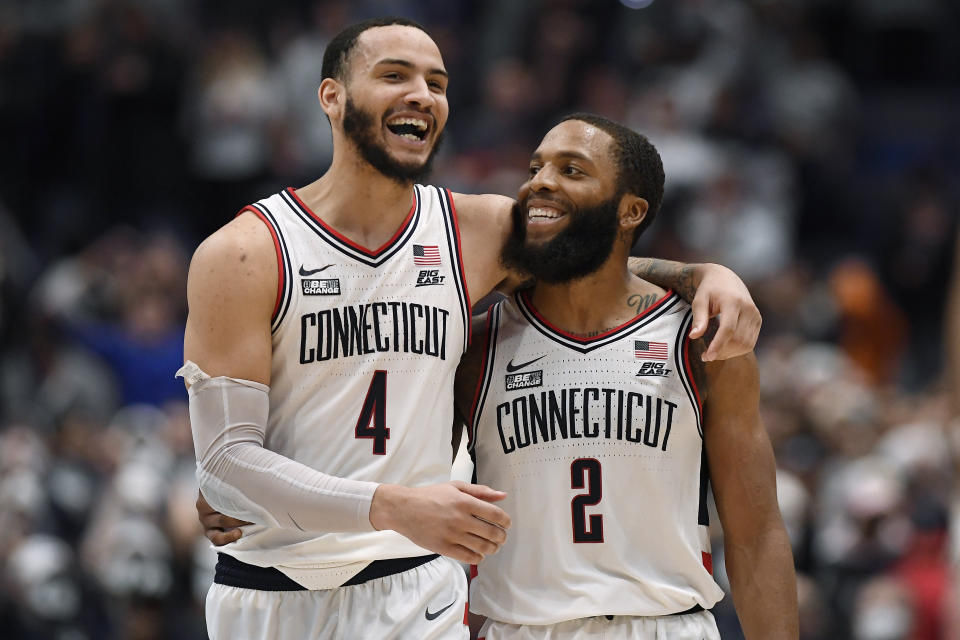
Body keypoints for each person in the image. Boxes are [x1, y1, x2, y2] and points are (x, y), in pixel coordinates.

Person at [183, 17, 763, 640]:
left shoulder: (475, 231)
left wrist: (704, 273)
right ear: (331, 97)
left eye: (437, 82)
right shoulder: (246, 251)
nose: (421, 95)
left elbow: (597, 256)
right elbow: (224, 462)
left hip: (414, 587)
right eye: (394, 76)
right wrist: (387, 505)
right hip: (272, 586)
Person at [451, 114, 797, 639]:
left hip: (664, 624)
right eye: (536, 166)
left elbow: (755, 533)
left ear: (630, 211)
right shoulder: (475, 344)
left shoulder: (699, 338)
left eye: (572, 169)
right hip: (519, 625)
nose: (539, 181)